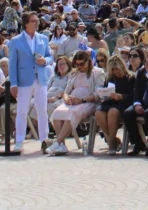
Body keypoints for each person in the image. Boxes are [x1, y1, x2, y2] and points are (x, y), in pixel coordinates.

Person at [8, 11, 54, 153]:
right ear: (26, 23)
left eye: (37, 21)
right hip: (23, 80)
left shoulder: (43, 38)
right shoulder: (15, 41)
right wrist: (13, 83)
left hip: (40, 78)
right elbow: (12, 63)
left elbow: (50, 57)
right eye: (33, 21)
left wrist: (45, 61)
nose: (36, 23)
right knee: (22, 111)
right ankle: (19, 141)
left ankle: (44, 139)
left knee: (42, 110)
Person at [48, 51, 104, 155]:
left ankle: (57, 142)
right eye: (77, 64)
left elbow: (98, 94)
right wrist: (67, 98)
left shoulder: (97, 73)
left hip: (87, 102)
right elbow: (66, 91)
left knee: (72, 114)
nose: (79, 67)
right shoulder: (74, 73)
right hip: (72, 101)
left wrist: (82, 100)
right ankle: (62, 145)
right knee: (57, 112)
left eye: (82, 64)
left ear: (88, 61)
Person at [94, 55, 134, 154]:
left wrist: (121, 96)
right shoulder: (110, 79)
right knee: (98, 113)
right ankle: (114, 140)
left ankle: (111, 143)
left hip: (123, 103)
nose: (116, 72)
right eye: (113, 70)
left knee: (113, 112)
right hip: (109, 102)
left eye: (117, 69)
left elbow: (133, 95)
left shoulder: (130, 78)